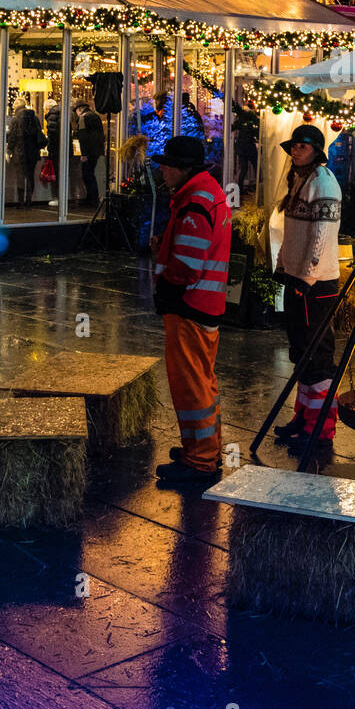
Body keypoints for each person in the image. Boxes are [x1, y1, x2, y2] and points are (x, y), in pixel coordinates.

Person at [149, 136, 232, 484]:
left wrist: (166, 275)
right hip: (205, 305)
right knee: (203, 381)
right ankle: (205, 449)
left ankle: (199, 462)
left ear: (184, 169)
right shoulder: (205, 192)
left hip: (189, 305)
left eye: (167, 165)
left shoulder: (195, 201)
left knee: (190, 386)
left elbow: (187, 264)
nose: (162, 170)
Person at [272, 124, 343, 457]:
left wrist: (307, 277)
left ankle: (321, 428)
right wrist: (285, 267)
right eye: (293, 146)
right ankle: (304, 419)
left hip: (316, 284)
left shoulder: (324, 183)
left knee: (317, 355)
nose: (295, 150)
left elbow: (322, 236)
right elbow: (295, 233)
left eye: (302, 145)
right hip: (298, 278)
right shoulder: (301, 180)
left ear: (316, 150)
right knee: (301, 351)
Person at [6, 100, 45, 206]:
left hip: (19, 152)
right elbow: (39, 134)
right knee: (30, 176)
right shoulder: (35, 118)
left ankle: (20, 201)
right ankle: (29, 200)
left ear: (16, 107)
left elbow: (12, 137)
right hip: (32, 153)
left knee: (20, 177)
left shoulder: (15, 119)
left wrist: (9, 151)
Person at [74, 100, 105, 206]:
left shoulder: (83, 118)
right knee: (91, 173)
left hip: (89, 151)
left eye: (76, 111)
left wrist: (84, 154)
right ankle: (93, 198)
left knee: (87, 174)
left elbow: (83, 137)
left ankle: (91, 199)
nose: (77, 114)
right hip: (97, 150)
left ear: (79, 109)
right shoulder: (95, 116)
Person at [235, 122, 258, 191]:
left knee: (244, 169)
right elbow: (255, 135)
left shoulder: (242, 123)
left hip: (242, 149)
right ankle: (258, 186)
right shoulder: (251, 123)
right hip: (248, 149)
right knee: (256, 167)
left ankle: (240, 188)